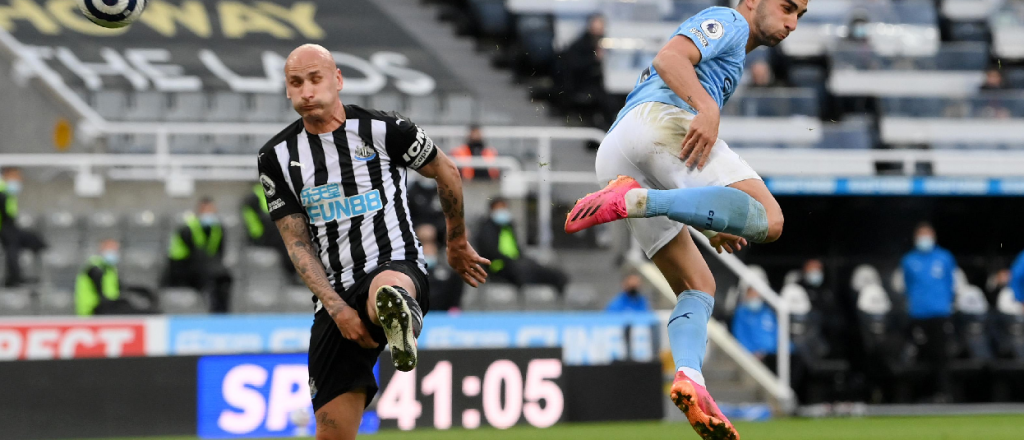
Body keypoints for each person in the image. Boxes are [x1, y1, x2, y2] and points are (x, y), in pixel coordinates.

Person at [563, 1, 805, 437]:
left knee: (699, 286)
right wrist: (707, 108)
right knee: (771, 220)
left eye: (801, 15)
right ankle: (638, 200)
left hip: (618, 148)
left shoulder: (734, 50)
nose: (792, 23)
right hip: (659, 120)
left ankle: (690, 376)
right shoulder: (731, 21)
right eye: (787, 7)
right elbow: (669, 58)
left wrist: (714, 217)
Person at [257, 44, 489, 440]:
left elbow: (447, 170)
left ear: (337, 80)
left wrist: (456, 242)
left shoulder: (385, 130)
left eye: (315, 79)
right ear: (287, 89)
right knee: (332, 432)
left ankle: (400, 315)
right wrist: (337, 309)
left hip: (395, 264)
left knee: (386, 289)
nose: (306, 91)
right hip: (334, 297)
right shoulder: (275, 157)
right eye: (296, 83)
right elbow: (296, 243)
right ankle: (393, 318)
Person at [900, 222, 956, 403]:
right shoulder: (909, 260)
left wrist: (947, 305)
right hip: (917, 314)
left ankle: (943, 393)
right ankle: (918, 395)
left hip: (939, 313)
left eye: (927, 235)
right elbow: (907, 286)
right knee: (918, 355)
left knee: (940, 355)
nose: (924, 239)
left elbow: (950, 283)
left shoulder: (944, 257)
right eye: (921, 235)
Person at [477, 197, 569, 294]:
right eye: (499, 208)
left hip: (516, 262)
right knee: (523, 272)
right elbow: (491, 252)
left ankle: (559, 291)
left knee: (548, 271)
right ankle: (527, 298)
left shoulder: (509, 227)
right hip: (499, 266)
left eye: (504, 208)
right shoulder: (486, 230)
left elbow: (516, 249)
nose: (502, 211)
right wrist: (513, 261)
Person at [165, 197, 233, 314]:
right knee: (212, 277)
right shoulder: (187, 228)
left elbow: (219, 252)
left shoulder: (218, 229)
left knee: (224, 279)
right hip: (183, 268)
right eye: (205, 210)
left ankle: (221, 313)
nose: (208, 213)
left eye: (211, 210)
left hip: (205, 267)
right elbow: (195, 253)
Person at [75, 239, 157, 315]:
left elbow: (119, 287)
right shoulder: (94, 268)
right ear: (101, 251)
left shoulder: (109, 269)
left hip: (107, 306)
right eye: (111, 250)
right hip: (92, 309)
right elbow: (101, 295)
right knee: (130, 308)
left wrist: (143, 291)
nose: (114, 253)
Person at [0, 167, 47, 287]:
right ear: (7, 174)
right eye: (16, 176)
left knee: (33, 241)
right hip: (4, 226)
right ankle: (14, 278)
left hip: (8, 225)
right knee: (13, 245)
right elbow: (5, 213)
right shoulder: (2, 190)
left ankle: (17, 276)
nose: (19, 179)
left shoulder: (7, 192)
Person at [240, 181, 296, 280]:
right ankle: (293, 273)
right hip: (260, 236)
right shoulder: (255, 197)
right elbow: (267, 220)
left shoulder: (260, 194)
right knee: (285, 241)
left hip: (263, 233)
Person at [417, 224, 464, 311]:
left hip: (443, 312)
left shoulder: (447, 271)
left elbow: (455, 290)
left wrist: (454, 307)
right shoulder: (410, 271)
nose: (428, 251)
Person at [731, 287, 778, 365]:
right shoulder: (741, 312)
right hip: (748, 355)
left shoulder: (768, 313)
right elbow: (739, 334)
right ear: (747, 295)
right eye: (752, 295)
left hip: (770, 356)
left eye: (757, 295)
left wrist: (765, 351)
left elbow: (777, 335)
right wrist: (753, 351)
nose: (755, 298)